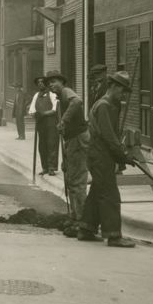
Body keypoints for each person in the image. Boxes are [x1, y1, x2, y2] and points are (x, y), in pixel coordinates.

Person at [75, 72, 137, 247]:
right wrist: (122, 155)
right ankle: (114, 235)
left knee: (97, 191)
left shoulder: (109, 104)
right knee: (110, 194)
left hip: (101, 154)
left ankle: (86, 229)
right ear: (114, 87)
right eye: (122, 91)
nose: (123, 95)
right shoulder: (105, 106)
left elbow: (111, 136)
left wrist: (120, 155)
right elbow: (109, 136)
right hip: (100, 154)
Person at [44, 69, 89, 238]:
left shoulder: (66, 92)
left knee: (77, 182)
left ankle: (82, 222)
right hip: (71, 140)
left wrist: (64, 120)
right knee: (71, 180)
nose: (51, 85)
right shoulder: (59, 99)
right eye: (49, 83)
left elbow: (77, 101)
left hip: (78, 139)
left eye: (54, 81)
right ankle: (76, 216)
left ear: (62, 82)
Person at [28, 76, 59, 175]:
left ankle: (51, 167)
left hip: (51, 123)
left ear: (45, 83)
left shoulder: (52, 94)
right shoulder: (36, 95)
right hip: (41, 123)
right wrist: (34, 114)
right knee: (42, 145)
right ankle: (44, 167)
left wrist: (44, 114)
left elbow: (55, 109)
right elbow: (32, 109)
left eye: (42, 82)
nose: (40, 84)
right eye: (38, 82)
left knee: (52, 144)